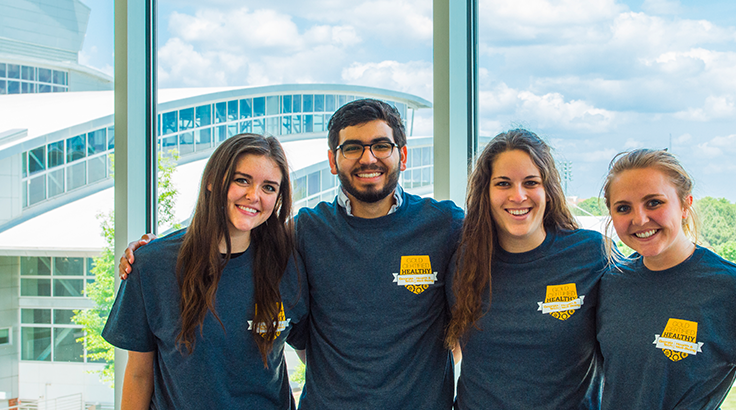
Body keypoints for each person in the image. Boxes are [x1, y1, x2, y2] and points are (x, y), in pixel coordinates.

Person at [119, 99, 463, 409]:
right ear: (333, 160)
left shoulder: (445, 225)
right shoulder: (304, 233)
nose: (367, 158)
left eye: (381, 146)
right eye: (353, 147)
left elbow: (480, 304)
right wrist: (151, 251)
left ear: (401, 155)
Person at [596, 148, 736, 409]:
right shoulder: (612, 282)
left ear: (685, 205)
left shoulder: (735, 290)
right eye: (624, 208)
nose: (639, 218)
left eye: (654, 203)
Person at [102, 134, 308, 409]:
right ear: (212, 181)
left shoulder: (289, 265)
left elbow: (318, 359)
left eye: (269, 187)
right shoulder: (153, 266)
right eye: (242, 180)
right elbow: (139, 374)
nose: (254, 196)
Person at [445, 129, 604, 409]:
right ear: (486, 192)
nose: (518, 196)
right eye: (503, 184)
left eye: (531, 182)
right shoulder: (464, 262)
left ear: (548, 190)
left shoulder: (591, 254)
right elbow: (452, 347)